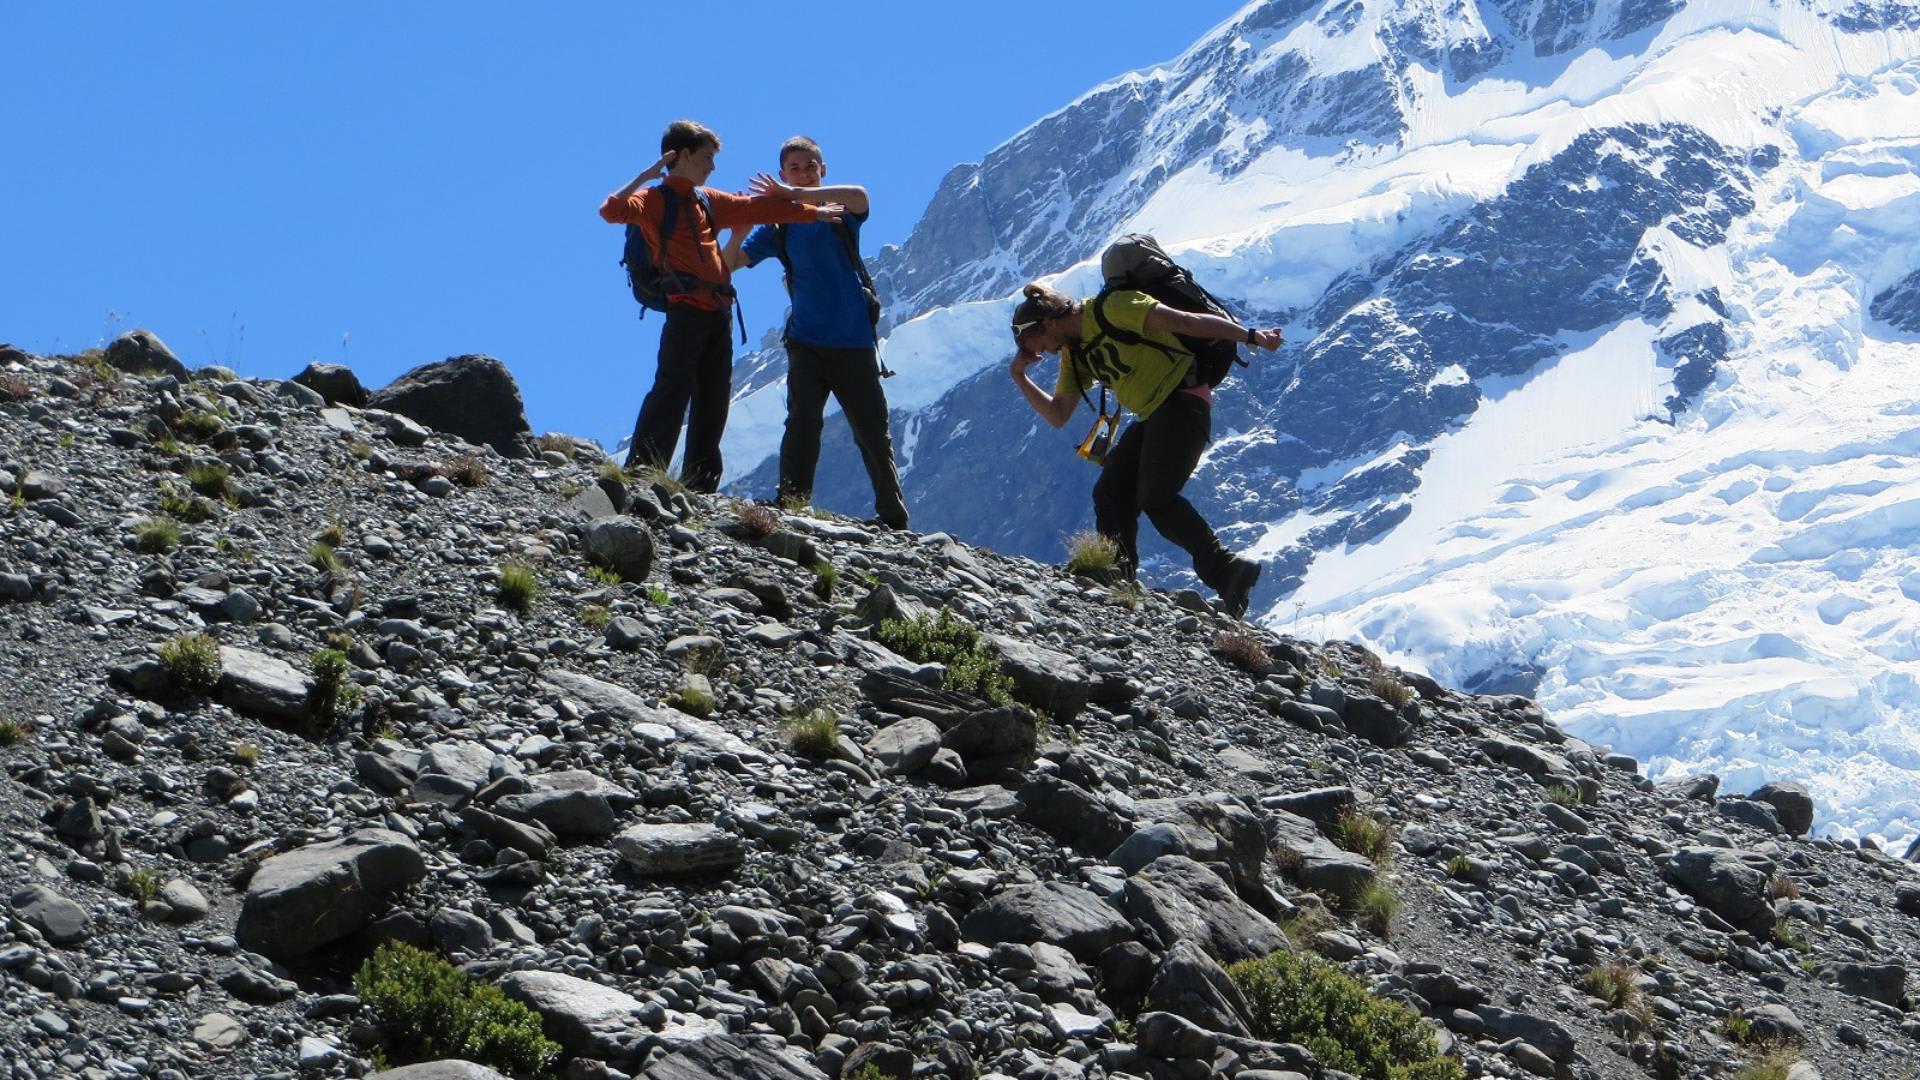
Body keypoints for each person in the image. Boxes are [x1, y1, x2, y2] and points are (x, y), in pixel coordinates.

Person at [1007, 281, 1282, 618]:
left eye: (1035, 344)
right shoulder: (1074, 352)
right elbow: (1058, 414)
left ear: (1048, 323)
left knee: (1156, 496)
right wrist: (1019, 376)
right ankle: (1116, 577)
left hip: (1183, 400)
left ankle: (1228, 571)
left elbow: (1187, 322)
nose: (1042, 353)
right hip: (1152, 413)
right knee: (1110, 491)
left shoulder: (1113, 307)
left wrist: (1252, 336)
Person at [599, 120, 843, 490]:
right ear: (681, 156)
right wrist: (648, 174)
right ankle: (641, 474)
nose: (712, 166)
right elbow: (611, 210)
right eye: (706, 158)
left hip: (719, 311)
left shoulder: (708, 199)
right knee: (672, 388)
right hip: (684, 308)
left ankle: (700, 484)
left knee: (713, 399)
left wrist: (815, 212)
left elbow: (756, 209)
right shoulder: (652, 201)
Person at [725, 136, 909, 529]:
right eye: (795, 168)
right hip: (807, 341)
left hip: (854, 340)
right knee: (803, 420)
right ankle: (791, 501)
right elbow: (729, 264)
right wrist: (738, 232)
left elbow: (861, 195)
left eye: (810, 166)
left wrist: (793, 193)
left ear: (822, 170)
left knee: (872, 430)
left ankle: (893, 516)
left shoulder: (839, 210)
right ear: (781, 173)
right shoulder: (778, 225)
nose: (804, 173)